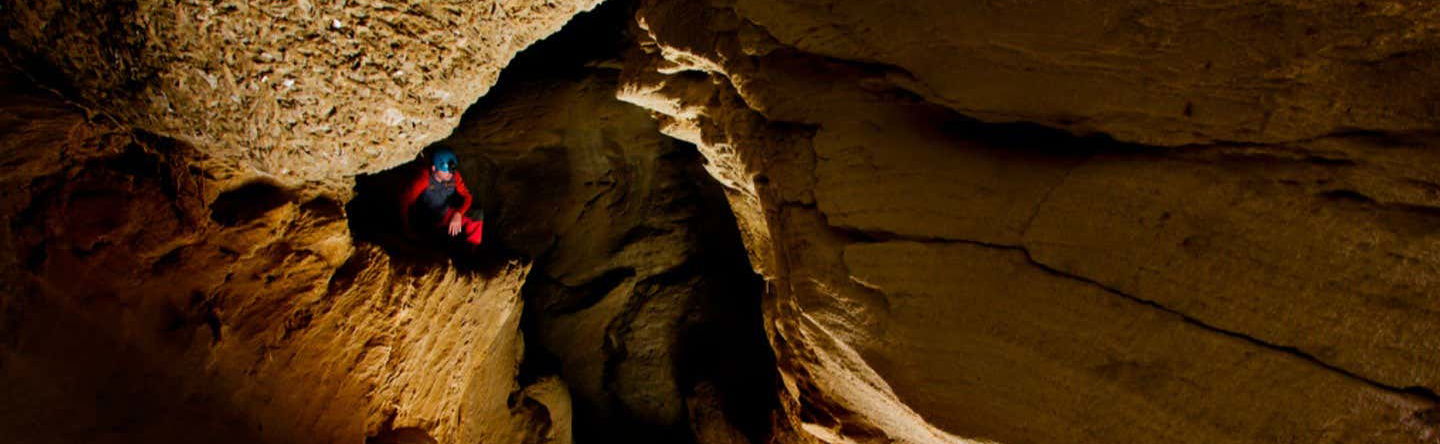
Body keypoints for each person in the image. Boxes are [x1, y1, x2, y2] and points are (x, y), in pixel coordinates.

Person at [399, 147, 483, 249]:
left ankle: (472, 250)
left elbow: (467, 196)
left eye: (451, 171)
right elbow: (404, 204)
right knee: (438, 245)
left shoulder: (454, 176)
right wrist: (407, 231)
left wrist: (458, 213)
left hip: (445, 214)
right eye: (446, 171)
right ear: (434, 168)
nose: (450, 174)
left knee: (476, 215)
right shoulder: (422, 179)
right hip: (427, 221)